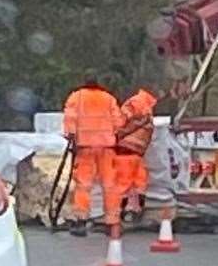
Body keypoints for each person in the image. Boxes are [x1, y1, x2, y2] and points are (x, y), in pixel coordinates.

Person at [62, 70, 123, 237]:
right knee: (110, 185)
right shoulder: (108, 98)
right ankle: (112, 223)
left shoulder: (76, 97)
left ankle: (81, 221)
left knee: (83, 184)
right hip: (107, 147)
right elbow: (118, 122)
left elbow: (70, 119)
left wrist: (71, 136)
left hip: (85, 146)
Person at [115, 86, 160, 219]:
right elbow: (120, 121)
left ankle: (134, 209)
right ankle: (119, 212)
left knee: (138, 181)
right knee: (126, 181)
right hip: (128, 150)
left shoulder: (144, 104)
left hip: (134, 151)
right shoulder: (139, 102)